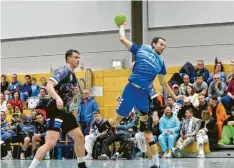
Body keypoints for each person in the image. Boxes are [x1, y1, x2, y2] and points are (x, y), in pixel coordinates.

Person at [97, 21, 182, 168]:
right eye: (161, 44)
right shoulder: (142, 49)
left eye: (164, 46)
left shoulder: (161, 64)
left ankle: (155, 164)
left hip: (143, 95)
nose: (163, 47)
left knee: (147, 133)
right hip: (130, 91)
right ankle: (96, 133)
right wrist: (122, 27)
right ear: (153, 43)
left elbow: (163, 84)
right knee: (115, 120)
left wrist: (175, 97)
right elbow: (122, 40)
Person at [29, 49, 87, 168]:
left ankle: (82, 166)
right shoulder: (62, 71)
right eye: (76, 57)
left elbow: (69, 100)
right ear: (68, 58)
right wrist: (57, 98)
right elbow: (49, 86)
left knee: (80, 137)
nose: (78, 60)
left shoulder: (74, 77)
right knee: (50, 143)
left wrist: (75, 94)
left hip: (64, 111)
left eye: (79, 58)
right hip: (54, 110)